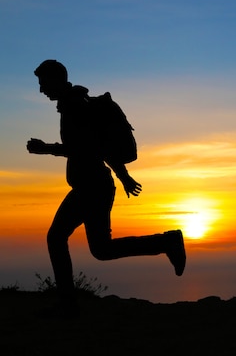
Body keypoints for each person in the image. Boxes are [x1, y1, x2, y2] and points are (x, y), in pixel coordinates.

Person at [27, 60, 186, 317]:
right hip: (92, 186)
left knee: (60, 239)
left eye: (43, 83)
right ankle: (167, 241)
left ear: (56, 80)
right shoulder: (76, 103)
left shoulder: (74, 106)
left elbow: (84, 148)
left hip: (92, 188)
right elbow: (99, 145)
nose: (41, 89)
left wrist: (45, 148)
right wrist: (123, 176)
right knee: (99, 249)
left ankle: (68, 304)